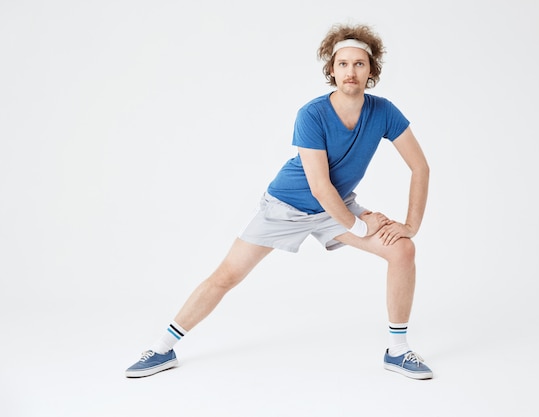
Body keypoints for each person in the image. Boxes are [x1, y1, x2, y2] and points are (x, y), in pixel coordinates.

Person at [125, 23, 433, 380]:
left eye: (360, 64)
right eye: (344, 64)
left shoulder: (384, 112)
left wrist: (411, 226)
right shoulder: (312, 114)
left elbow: (420, 167)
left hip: (338, 206)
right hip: (286, 206)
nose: (351, 71)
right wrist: (362, 224)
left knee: (402, 249)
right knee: (226, 275)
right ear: (331, 70)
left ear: (372, 70)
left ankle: (398, 350)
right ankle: (163, 348)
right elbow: (319, 186)